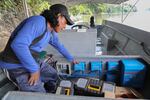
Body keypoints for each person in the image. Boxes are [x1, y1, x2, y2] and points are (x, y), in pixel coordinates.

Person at [0, 4, 76, 93]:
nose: (65, 27)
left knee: (54, 75)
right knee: (39, 94)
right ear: (59, 16)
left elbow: (59, 46)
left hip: (32, 62)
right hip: (14, 66)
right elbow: (18, 44)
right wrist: (34, 69)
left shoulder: (51, 31)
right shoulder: (38, 21)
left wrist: (71, 58)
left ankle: (51, 93)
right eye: (65, 22)